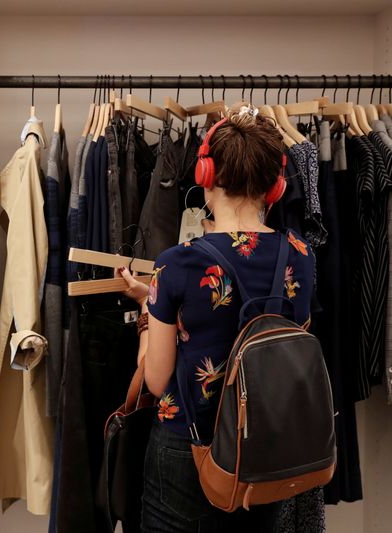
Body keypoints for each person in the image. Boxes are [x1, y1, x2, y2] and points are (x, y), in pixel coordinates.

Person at [117, 104, 315, 533]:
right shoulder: (300, 256)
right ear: (275, 187)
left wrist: (149, 313)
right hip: (268, 447)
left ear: (206, 178)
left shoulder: (177, 264)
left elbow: (155, 379)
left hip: (191, 447)